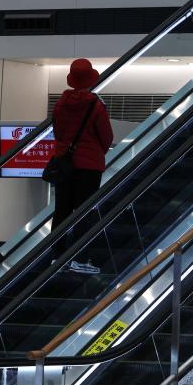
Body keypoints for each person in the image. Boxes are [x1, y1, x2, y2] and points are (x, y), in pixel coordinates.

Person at [51, 58, 113, 275]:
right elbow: (106, 137)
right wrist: (95, 153)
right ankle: (80, 258)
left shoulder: (60, 104)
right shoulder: (96, 105)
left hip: (64, 164)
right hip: (89, 167)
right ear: (90, 79)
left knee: (62, 210)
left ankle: (57, 256)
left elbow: (58, 133)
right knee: (84, 212)